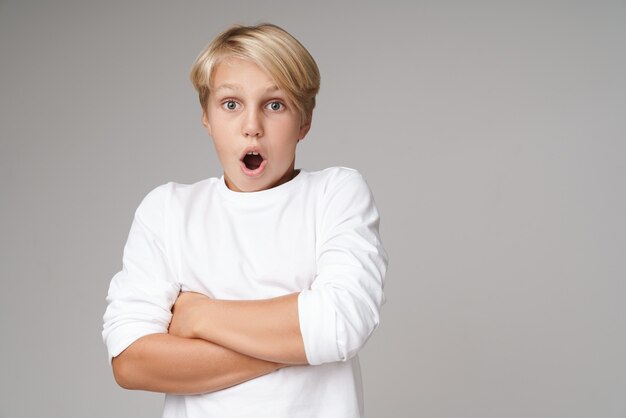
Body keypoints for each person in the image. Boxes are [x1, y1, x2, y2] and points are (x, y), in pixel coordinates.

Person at [102, 23, 388, 418]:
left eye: (275, 105)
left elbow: (340, 323)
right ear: (206, 115)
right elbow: (131, 361)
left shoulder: (335, 194)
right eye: (231, 104)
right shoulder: (167, 210)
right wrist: (298, 345)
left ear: (304, 120)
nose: (251, 126)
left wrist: (198, 316)